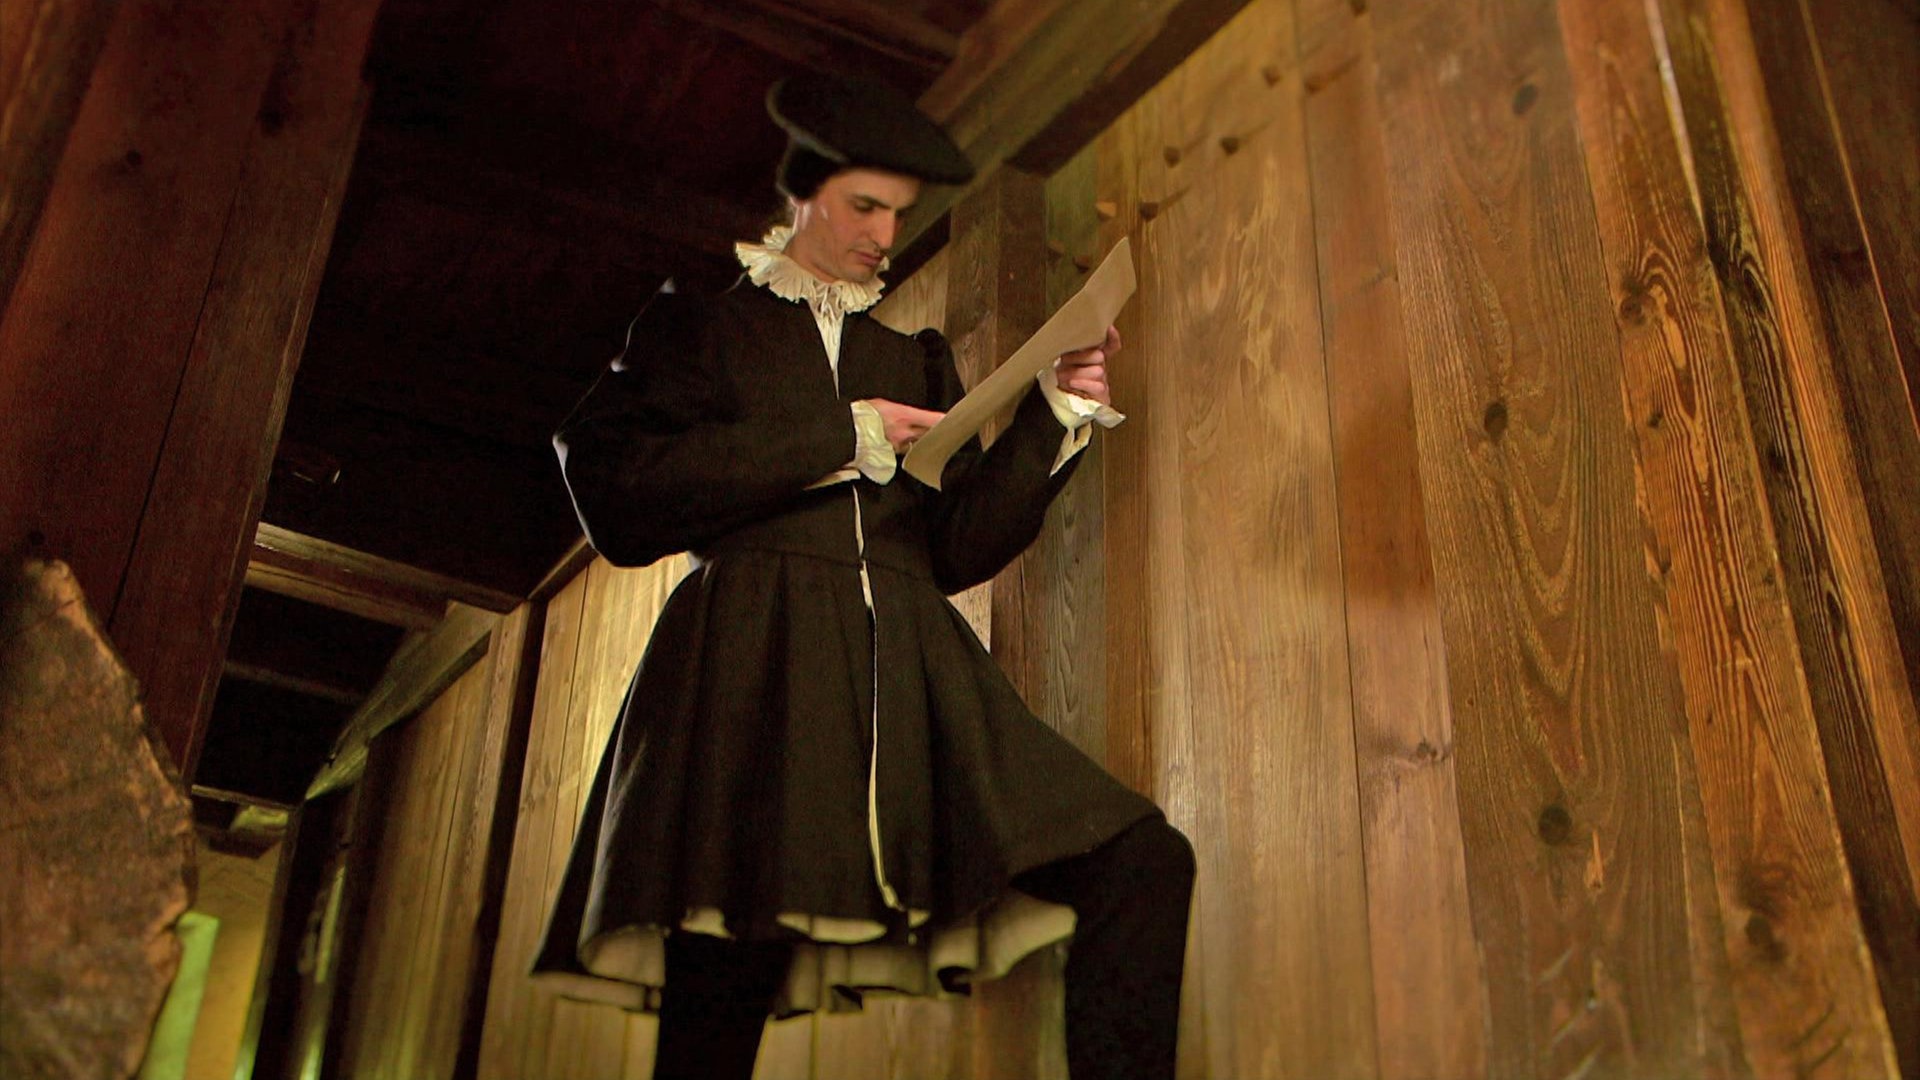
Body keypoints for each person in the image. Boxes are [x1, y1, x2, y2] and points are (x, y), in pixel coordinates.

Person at [534, 73, 1195, 1080]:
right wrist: (841, 436)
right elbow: (614, 493)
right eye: (865, 206)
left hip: (915, 672)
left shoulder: (913, 356)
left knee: (1142, 858)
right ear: (802, 194)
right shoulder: (697, 331)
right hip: (754, 661)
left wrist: (1054, 413)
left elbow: (959, 546)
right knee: (724, 969)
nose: (886, 234)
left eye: (899, 212)